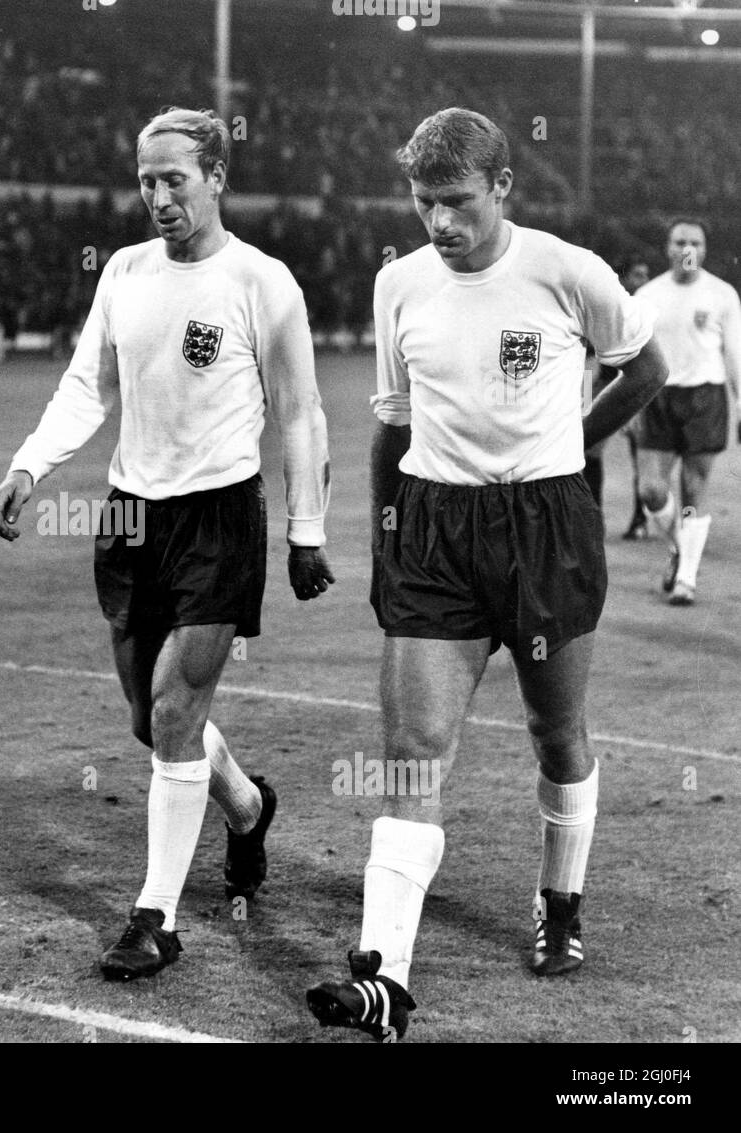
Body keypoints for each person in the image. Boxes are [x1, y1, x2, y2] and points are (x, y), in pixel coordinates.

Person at [306, 108, 667, 1041]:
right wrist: (387, 528)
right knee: (413, 750)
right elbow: (392, 421)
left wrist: (571, 442)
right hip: (434, 528)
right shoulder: (398, 284)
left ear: (503, 187)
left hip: (545, 526)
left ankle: (562, 899)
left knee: (557, 730)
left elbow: (647, 367)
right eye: (424, 203)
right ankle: (383, 977)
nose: (439, 223)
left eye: (457, 202)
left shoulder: (566, 270)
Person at [0, 107, 333, 981]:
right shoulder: (126, 274)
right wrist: (30, 467)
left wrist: (305, 530)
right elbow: (85, 385)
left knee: (178, 713)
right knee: (152, 721)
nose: (158, 196)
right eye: (146, 180)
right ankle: (248, 807)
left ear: (216, 176)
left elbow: (301, 411)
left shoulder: (263, 283)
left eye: (174, 178)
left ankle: (156, 918)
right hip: (130, 519)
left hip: (219, 520)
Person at [633, 219, 741, 605]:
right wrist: (628, 404)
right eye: (680, 241)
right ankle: (680, 547)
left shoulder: (722, 294)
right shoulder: (647, 295)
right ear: (668, 247)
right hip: (658, 398)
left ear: (705, 249)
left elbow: (733, 352)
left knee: (694, 492)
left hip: (705, 399)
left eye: (695, 242)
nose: (687, 248)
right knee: (651, 490)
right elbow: (633, 357)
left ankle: (687, 579)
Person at [583, 257, 652, 539]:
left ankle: (640, 518)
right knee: (590, 451)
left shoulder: (648, 308)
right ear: (622, 278)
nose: (643, 281)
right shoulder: (606, 307)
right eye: (637, 274)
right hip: (606, 385)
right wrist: (586, 402)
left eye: (646, 274)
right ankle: (594, 517)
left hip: (636, 390)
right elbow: (587, 358)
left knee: (642, 453)